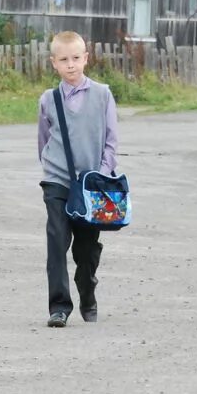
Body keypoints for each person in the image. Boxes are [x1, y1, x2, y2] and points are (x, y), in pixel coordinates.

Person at [37, 31, 118, 328]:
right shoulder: (48, 100)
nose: (70, 65)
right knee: (57, 241)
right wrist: (50, 171)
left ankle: (87, 289)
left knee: (86, 249)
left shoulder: (103, 94)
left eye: (75, 58)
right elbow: (44, 141)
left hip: (91, 185)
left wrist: (102, 174)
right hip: (57, 180)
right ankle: (59, 306)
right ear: (53, 63)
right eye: (63, 60)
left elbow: (111, 141)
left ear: (86, 58)